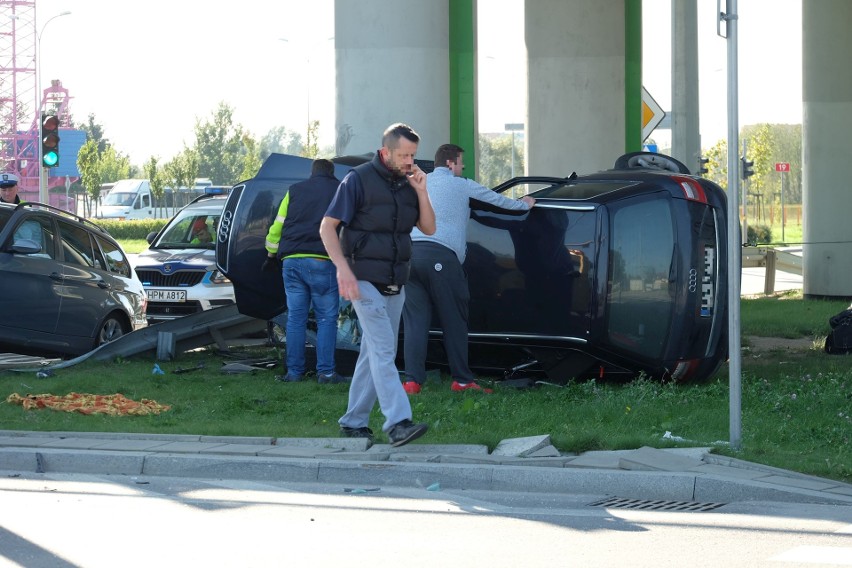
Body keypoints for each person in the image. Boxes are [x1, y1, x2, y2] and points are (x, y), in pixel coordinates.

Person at [319, 123, 436, 447]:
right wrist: (342, 269)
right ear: (385, 152)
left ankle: (353, 421)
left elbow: (428, 227)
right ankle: (398, 422)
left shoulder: (410, 184)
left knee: (374, 352)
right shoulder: (357, 180)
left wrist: (422, 192)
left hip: (395, 281)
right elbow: (327, 227)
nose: (410, 161)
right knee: (384, 349)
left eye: (413, 155)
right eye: (404, 155)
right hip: (362, 279)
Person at [402, 143, 535, 394]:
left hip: (410, 256)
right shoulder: (462, 185)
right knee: (454, 320)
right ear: (451, 163)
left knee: (415, 322)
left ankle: (412, 382)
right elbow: (498, 200)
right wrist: (525, 204)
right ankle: (462, 381)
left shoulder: (420, 183)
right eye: (461, 162)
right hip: (441, 256)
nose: (463, 167)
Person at [264, 158, 348, 384]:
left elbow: (277, 226)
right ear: (331, 173)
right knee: (327, 319)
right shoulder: (340, 189)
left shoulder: (294, 190)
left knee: (295, 319)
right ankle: (326, 373)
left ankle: (294, 373)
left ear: (312, 173)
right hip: (323, 260)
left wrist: (271, 253)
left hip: (292, 261)